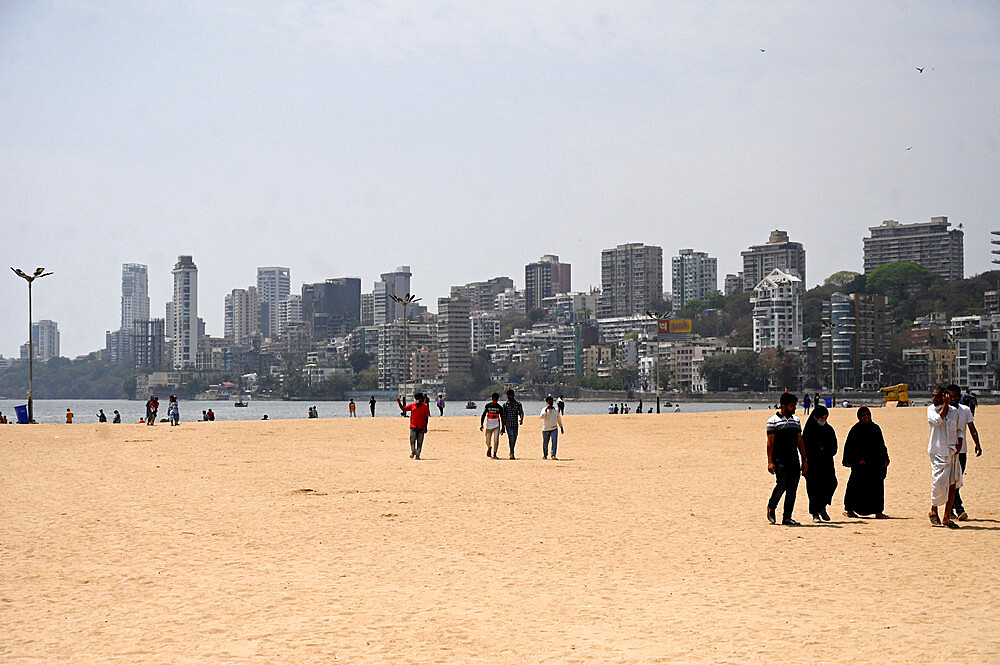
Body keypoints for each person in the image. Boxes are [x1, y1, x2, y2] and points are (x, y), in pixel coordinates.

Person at [765, 392, 809, 526]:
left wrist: (804, 459)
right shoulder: (772, 421)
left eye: (794, 405)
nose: (794, 408)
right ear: (783, 406)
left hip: (794, 459)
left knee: (792, 489)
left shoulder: (796, 420)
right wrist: (770, 462)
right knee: (782, 484)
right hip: (779, 459)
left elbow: (799, 440)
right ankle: (771, 507)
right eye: (792, 406)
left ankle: (787, 517)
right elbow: (770, 443)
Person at [841, 406, 889, 519]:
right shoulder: (855, 430)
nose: (866, 417)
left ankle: (878, 511)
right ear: (859, 417)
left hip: (875, 464)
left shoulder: (876, 428)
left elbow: (881, 445)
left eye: (868, 415)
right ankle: (850, 510)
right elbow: (850, 447)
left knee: (877, 487)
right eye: (864, 415)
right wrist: (858, 459)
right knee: (855, 487)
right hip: (861, 465)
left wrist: (885, 458)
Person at [927, 386, 962, 528]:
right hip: (938, 451)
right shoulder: (930, 410)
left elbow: (960, 430)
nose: (934, 399)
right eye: (934, 396)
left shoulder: (954, 412)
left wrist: (960, 443)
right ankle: (933, 510)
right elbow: (937, 421)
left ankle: (947, 517)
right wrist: (945, 405)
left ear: (945, 396)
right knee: (939, 482)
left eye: (938, 396)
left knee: (953, 484)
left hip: (952, 451)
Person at [948, 384, 983, 521]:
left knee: (957, 480)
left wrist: (978, 444)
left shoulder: (965, 410)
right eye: (951, 396)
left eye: (956, 396)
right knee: (949, 481)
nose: (953, 399)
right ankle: (958, 508)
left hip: (962, 451)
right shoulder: (944, 410)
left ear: (960, 397)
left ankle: (951, 509)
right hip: (947, 451)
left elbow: (972, 428)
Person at [802, 404, 837, 522]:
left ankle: (822, 507)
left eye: (825, 418)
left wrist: (825, 449)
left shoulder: (829, 429)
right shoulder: (809, 430)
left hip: (827, 463)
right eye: (821, 418)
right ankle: (815, 513)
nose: (823, 421)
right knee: (813, 489)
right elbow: (805, 447)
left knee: (831, 484)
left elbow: (834, 447)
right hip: (812, 464)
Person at [397, 392, 430, 460]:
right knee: (412, 440)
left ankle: (418, 454)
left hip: (421, 427)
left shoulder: (425, 406)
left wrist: (426, 427)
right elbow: (404, 409)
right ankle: (413, 451)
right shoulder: (412, 405)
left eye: (418, 398)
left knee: (420, 442)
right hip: (413, 426)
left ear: (421, 399)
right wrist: (399, 402)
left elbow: (426, 417)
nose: (416, 400)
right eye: (416, 398)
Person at [501, 388, 524, 460]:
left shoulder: (518, 404)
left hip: (515, 424)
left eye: (510, 395)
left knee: (515, 437)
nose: (509, 396)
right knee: (511, 437)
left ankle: (511, 450)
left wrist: (521, 419)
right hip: (508, 424)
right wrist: (503, 426)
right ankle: (512, 452)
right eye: (508, 395)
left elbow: (521, 412)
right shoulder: (505, 405)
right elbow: (503, 416)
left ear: (513, 395)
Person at [480, 393, 504, 458]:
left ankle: (495, 453)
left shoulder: (499, 407)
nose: (495, 401)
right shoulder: (488, 406)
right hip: (489, 426)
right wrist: (481, 424)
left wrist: (503, 427)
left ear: (498, 400)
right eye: (494, 400)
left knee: (496, 440)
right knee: (487, 440)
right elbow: (483, 415)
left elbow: (502, 417)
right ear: (492, 399)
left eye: (496, 400)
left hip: (496, 425)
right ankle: (489, 448)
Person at [540, 395, 564, 460]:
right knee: (545, 443)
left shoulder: (556, 410)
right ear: (547, 402)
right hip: (545, 429)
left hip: (554, 428)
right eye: (549, 401)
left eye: (551, 401)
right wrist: (546, 410)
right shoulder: (544, 409)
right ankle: (545, 455)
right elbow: (541, 416)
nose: (550, 402)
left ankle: (553, 455)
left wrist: (561, 427)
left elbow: (559, 418)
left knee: (554, 441)